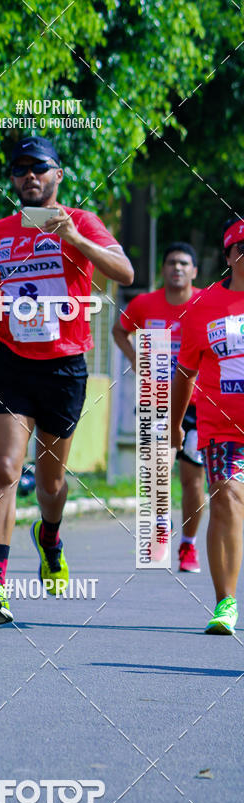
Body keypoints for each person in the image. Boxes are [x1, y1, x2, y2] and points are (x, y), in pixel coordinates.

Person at [0, 135, 134, 625]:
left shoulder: (82, 221)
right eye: (19, 170)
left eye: (39, 168)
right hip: (11, 362)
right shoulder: (0, 231)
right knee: (3, 469)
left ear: (58, 174)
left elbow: (124, 271)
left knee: (52, 482)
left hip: (63, 368)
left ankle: (50, 536)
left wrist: (75, 240)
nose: (28, 177)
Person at [112, 243, 205, 572]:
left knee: (193, 479)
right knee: (157, 471)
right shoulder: (143, 304)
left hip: (198, 404)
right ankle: (161, 531)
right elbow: (119, 331)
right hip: (156, 398)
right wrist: (136, 359)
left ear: (194, 271)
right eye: (171, 263)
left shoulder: (205, 303)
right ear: (162, 270)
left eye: (183, 263)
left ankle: (189, 546)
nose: (177, 268)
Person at [171, 215, 244, 635]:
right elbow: (185, 373)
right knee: (226, 498)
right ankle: (226, 602)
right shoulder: (204, 308)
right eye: (243, 247)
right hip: (223, 427)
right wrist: (175, 425)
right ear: (230, 255)